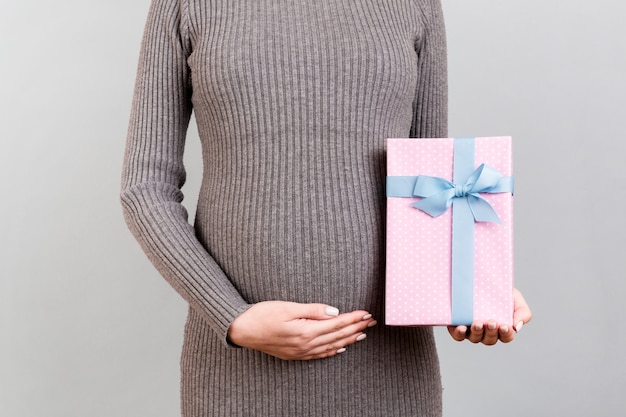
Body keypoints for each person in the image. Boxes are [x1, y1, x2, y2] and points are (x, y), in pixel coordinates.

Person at [120, 0, 532, 416]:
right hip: (237, 376)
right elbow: (144, 188)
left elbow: (432, 183)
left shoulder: (415, 4)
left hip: (390, 375)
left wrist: (475, 289)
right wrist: (232, 317)